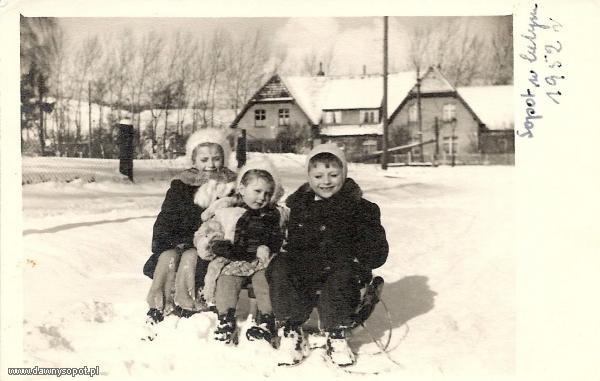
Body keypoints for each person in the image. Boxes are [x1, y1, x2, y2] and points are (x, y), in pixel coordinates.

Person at [267, 144, 389, 366]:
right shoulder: (300, 207)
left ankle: (336, 332)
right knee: (280, 266)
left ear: (345, 173)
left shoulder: (361, 208)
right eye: (318, 176)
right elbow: (293, 242)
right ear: (309, 177)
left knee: (342, 274)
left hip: (342, 271)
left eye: (333, 174)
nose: (326, 181)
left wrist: (361, 254)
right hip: (308, 270)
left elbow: (378, 250)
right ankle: (290, 329)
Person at [142, 129, 237, 334]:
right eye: (204, 159)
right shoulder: (181, 185)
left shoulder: (229, 185)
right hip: (178, 238)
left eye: (216, 158)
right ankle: (159, 304)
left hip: (209, 241)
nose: (210, 165)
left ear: (224, 159)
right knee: (167, 257)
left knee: (190, 257)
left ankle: (189, 303)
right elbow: (167, 216)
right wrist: (166, 241)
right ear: (194, 160)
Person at [194, 158, 286, 345]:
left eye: (268, 194)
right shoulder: (226, 211)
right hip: (234, 259)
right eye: (257, 191)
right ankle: (225, 318)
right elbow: (208, 231)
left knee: (264, 281)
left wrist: (267, 246)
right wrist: (214, 244)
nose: (262, 198)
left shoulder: (273, 214)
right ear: (242, 189)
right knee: (227, 280)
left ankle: (268, 320)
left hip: (262, 260)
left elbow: (280, 236)